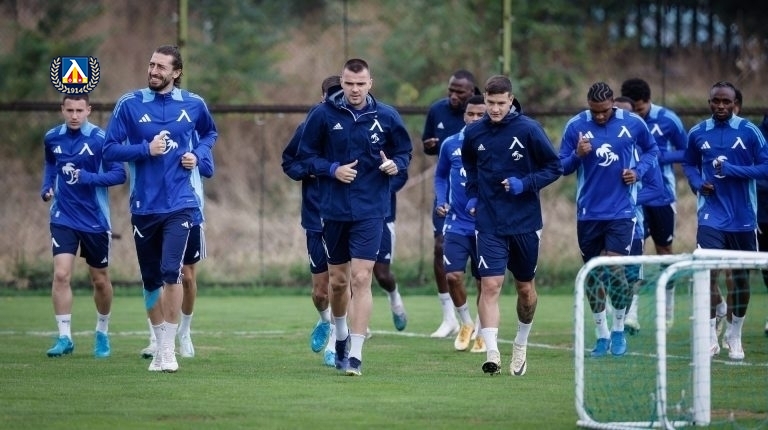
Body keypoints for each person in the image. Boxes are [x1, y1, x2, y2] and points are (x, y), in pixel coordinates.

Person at [103, 45, 218, 373]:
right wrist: (145, 149)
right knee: (151, 279)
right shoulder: (129, 103)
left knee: (172, 271)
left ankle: (168, 350)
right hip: (144, 206)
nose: (153, 71)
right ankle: (158, 342)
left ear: (176, 72)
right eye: (151, 65)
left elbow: (210, 133)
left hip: (181, 203)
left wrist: (197, 155)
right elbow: (109, 150)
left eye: (161, 67)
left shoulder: (194, 104)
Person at [297, 58, 412, 376]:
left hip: (371, 209)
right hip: (333, 210)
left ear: (370, 83)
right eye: (349, 83)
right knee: (338, 283)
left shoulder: (387, 116)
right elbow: (305, 157)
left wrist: (396, 165)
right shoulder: (322, 115)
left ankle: (356, 356)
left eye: (361, 84)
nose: (355, 89)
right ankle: (341, 337)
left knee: (362, 278)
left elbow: (404, 152)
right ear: (343, 83)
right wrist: (333, 169)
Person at [462, 75, 562, 376]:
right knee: (490, 285)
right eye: (490, 103)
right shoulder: (474, 133)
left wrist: (525, 183)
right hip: (489, 221)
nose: (494, 109)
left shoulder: (529, 129)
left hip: (525, 222)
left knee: (525, 290)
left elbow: (554, 167)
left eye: (500, 103)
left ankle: (520, 343)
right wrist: (472, 194)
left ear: (510, 100)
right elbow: (470, 166)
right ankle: (492, 353)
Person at [559, 82, 658, 358]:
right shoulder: (575, 125)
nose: (600, 116)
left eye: (604, 111)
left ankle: (618, 329)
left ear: (613, 103)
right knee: (593, 276)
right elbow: (561, 166)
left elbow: (652, 151)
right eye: (595, 111)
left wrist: (637, 171)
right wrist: (577, 155)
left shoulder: (633, 123)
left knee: (614, 270)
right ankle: (601, 334)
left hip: (622, 212)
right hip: (588, 214)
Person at [682, 81, 768, 360]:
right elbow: (688, 163)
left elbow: (765, 167)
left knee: (741, 280)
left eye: (726, 102)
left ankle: (734, 334)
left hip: (743, 216)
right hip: (711, 214)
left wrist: (733, 170)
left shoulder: (750, 131)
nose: (720, 106)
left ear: (734, 104)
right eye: (716, 101)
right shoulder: (697, 132)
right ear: (709, 102)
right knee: (707, 273)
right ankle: (709, 336)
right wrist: (698, 183)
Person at [41, 94, 126, 358]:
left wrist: (89, 177)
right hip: (63, 216)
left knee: (99, 280)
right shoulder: (52, 137)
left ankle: (102, 331)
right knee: (61, 275)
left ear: (89, 110)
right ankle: (64, 337)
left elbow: (119, 174)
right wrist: (47, 186)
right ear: (62, 110)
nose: (75, 115)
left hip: (94, 220)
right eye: (70, 110)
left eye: (80, 110)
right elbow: (50, 164)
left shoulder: (101, 139)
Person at [281, 75, 342, 367]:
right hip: (315, 216)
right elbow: (289, 163)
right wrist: (314, 170)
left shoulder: (359, 126)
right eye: (333, 94)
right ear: (323, 97)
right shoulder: (308, 127)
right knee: (320, 291)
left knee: (341, 282)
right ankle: (325, 321)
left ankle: (336, 344)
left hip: (346, 216)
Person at [620, 78, 687, 329]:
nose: (637, 115)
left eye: (640, 109)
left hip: (662, 196)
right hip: (633, 197)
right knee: (635, 251)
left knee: (664, 250)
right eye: (633, 110)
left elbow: (688, 151)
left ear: (648, 101)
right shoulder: (621, 121)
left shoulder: (668, 119)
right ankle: (632, 314)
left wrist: (657, 156)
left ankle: (667, 311)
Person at [140, 135, 214, 360]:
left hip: (190, 212)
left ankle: (185, 331)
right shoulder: (151, 131)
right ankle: (158, 338)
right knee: (160, 274)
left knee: (187, 276)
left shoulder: (195, 134)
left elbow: (209, 169)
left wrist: (195, 160)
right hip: (155, 211)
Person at [422, 70, 480, 338]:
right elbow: (432, 150)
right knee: (440, 248)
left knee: (483, 267)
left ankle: (483, 322)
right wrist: (430, 145)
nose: (454, 96)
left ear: (472, 93)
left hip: (480, 204)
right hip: (450, 197)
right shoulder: (437, 110)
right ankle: (450, 318)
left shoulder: (484, 117)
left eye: (460, 92)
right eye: (451, 90)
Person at [434, 94, 487, 352]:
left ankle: (483, 330)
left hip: (486, 225)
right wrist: (441, 200)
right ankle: (466, 322)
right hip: (456, 223)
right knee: (453, 276)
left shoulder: (493, 144)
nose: (475, 119)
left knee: (484, 282)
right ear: (464, 115)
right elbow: (441, 176)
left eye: (480, 115)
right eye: (471, 114)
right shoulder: (450, 144)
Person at [372, 171, 409, 332]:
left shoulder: (388, 152)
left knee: (382, 275)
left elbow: (401, 174)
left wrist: (379, 189)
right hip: (353, 216)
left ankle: (394, 298)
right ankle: (358, 326)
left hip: (383, 217)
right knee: (355, 274)